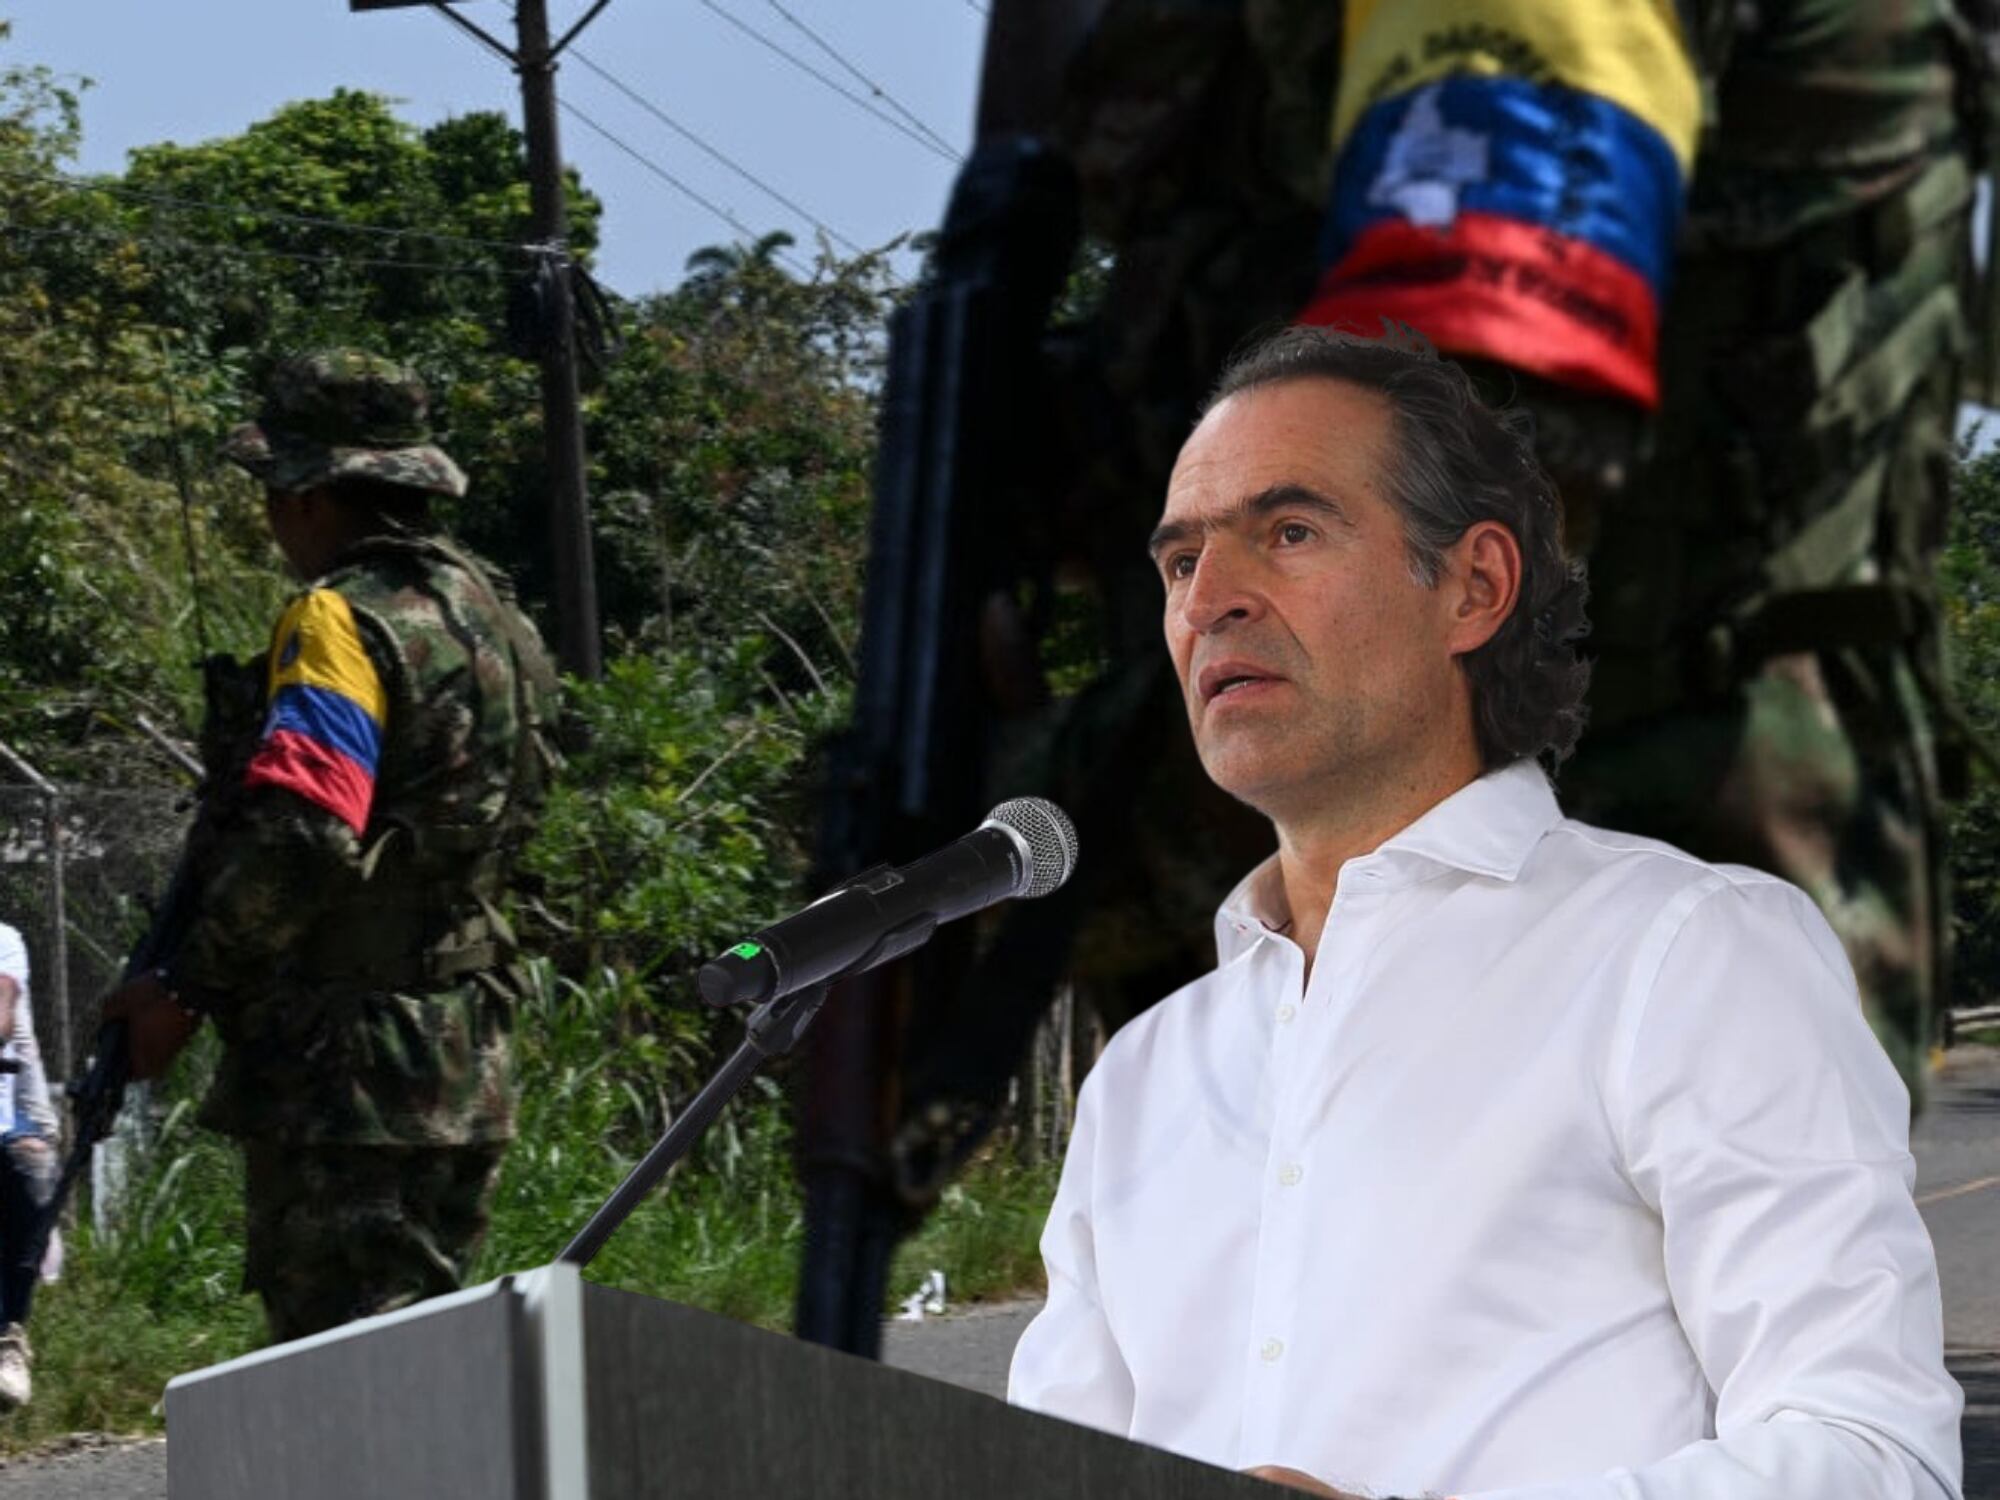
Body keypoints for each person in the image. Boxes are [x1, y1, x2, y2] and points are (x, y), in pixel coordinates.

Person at [1006, 326, 1963, 1499]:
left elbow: (1872, 1455)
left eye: (1287, 533)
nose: (1210, 600)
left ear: (1473, 587)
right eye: (1177, 562)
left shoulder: (1683, 953)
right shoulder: (1143, 1078)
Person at [103, 350, 560, 1343]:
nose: (269, 518)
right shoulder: (494, 620)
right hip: (460, 1056)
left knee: (347, 1381)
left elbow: (306, 834)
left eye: (272, 491)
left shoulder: (336, 621)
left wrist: (186, 987)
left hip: (346, 1077)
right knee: (423, 1357)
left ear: (312, 493)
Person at [0, 923, 58, 1410]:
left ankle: (9, 1337)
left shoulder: (4, 941)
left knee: (29, 1177)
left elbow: (2, 1016)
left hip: (6, 1122)